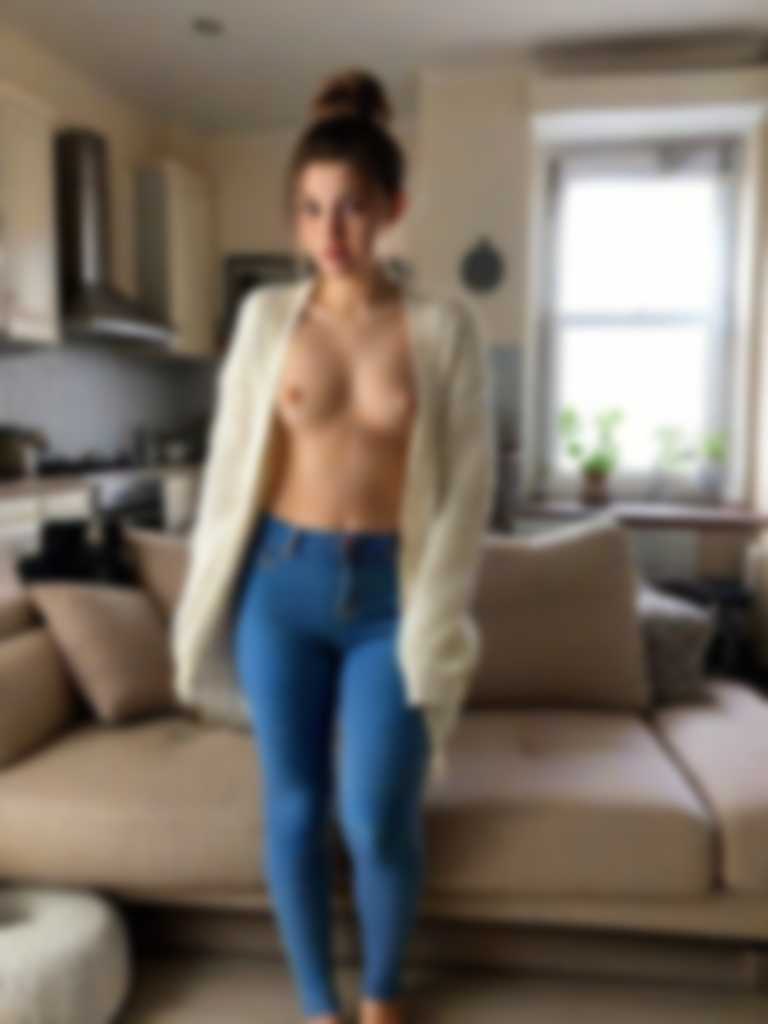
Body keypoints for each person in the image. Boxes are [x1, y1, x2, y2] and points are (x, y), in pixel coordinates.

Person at [171, 67, 496, 1024]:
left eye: (352, 206)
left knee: (375, 814)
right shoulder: (265, 320)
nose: (331, 232)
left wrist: (438, 607)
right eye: (312, 209)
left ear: (392, 207)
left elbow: (468, 491)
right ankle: (318, 1006)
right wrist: (207, 589)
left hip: (391, 601)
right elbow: (231, 461)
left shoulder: (445, 329)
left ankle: (383, 997)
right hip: (282, 589)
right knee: (295, 809)